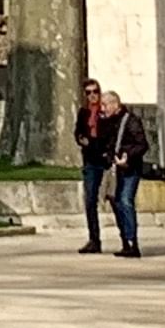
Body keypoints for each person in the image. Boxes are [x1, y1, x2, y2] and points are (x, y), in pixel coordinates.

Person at [101, 89, 154, 257]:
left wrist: (127, 156)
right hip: (115, 169)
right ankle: (125, 239)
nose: (103, 108)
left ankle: (132, 242)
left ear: (115, 104)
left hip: (130, 169)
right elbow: (108, 145)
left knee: (125, 201)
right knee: (115, 202)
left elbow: (142, 144)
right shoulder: (108, 123)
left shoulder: (131, 121)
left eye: (105, 105)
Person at [74, 78, 114, 252]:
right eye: (88, 92)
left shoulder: (105, 112)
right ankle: (94, 239)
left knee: (115, 199)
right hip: (91, 161)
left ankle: (128, 238)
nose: (92, 95)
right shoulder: (83, 113)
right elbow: (78, 132)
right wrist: (81, 139)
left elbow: (110, 134)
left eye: (95, 91)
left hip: (105, 161)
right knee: (90, 200)